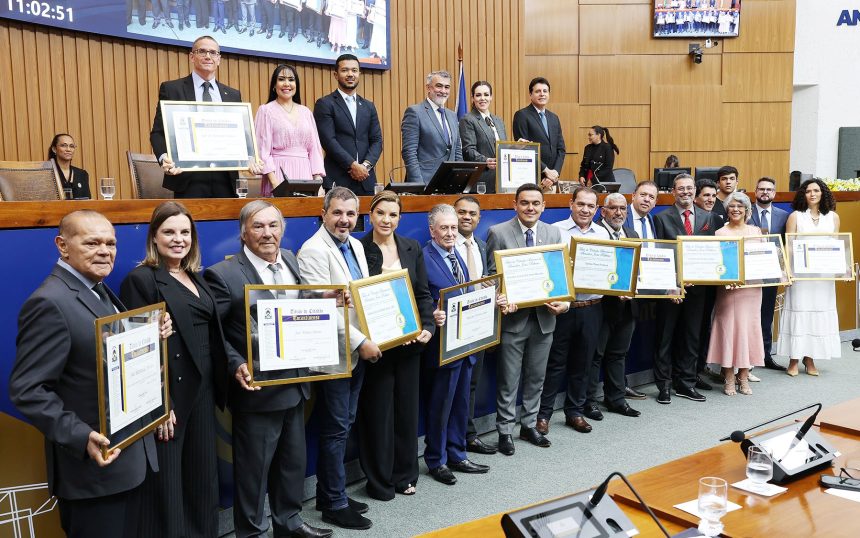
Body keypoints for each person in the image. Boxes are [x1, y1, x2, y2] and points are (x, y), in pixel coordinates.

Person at [9, 210, 169, 538]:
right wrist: (81, 437)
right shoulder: (49, 303)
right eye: (92, 242)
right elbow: (28, 390)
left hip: (128, 464)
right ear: (62, 245)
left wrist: (151, 333)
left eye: (111, 243)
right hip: (94, 477)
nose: (105, 250)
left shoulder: (98, 289)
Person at [204, 201, 331, 538]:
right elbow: (214, 335)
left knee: (291, 463)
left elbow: (301, 311)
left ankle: (288, 523)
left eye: (273, 226)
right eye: (258, 226)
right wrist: (236, 364)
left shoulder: (290, 259)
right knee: (254, 471)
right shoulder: (222, 274)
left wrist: (327, 300)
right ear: (244, 232)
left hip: (296, 383)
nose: (267, 233)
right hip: (258, 390)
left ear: (282, 230)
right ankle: (251, 532)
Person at [119, 201, 229, 537]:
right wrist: (159, 404)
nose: (178, 239)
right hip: (170, 397)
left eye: (184, 232)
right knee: (167, 488)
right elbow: (137, 352)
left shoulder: (195, 275)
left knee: (202, 480)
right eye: (169, 231)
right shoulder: (142, 279)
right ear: (154, 236)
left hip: (203, 389)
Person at [298, 187, 380, 530]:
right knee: (335, 429)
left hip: (357, 351)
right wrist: (361, 341)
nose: (344, 220)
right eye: (337, 213)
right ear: (323, 213)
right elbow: (323, 310)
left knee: (344, 423)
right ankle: (333, 502)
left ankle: (329, 492)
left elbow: (361, 295)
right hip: (334, 353)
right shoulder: (312, 251)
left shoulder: (357, 245)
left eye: (350, 213)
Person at [357, 191, 434, 500]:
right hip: (376, 347)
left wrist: (427, 327)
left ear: (400, 218)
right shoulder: (358, 248)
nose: (387, 220)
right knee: (376, 415)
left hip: (409, 343)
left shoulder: (411, 247)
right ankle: (378, 481)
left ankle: (405, 474)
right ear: (371, 215)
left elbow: (423, 293)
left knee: (405, 412)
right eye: (381, 213)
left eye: (393, 215)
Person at [485, 183, 568, 455]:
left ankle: (529, 424)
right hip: (514, 319)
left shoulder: (553, 232)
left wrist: (563, 302)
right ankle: (505, 430)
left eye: (535, 203)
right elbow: (489, 278)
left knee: (536, 377)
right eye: (524, 203)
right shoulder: (498, 233)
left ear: (543, 206)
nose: (530, 208)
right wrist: (501, 295)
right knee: (509, 379)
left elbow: (560, 276)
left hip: (545, 318)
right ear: (515, 205)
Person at [421, 204, 497, 486]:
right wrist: (432, 311)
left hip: (466, 343)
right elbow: (419, 297)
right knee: (440, 405)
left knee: (461, 402)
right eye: (444, 228)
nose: (451, 233)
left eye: (453, 227)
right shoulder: (423, 256)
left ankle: (457, 453)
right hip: (442, 348)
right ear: (432, 230)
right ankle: (436, 460)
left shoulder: (459, 255)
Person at [538, 187, 607, 435]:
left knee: (583, 363)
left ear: (596, 209)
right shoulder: (554, 231)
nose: (585, 210)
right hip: (562, 309)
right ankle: (543, 415)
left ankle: (574, 412)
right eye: (581, 204)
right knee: (554, 364)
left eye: (591, 206)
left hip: (592, 308)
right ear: (571, 204)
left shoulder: (603, 234)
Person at [151, 36, 256, 198]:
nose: (208, 56)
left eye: (213, 53)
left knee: (226, 223)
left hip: (225, 177)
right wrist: (165, 158)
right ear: (192, 56)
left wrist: (249, 157)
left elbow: (242, 135)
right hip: (188, 176)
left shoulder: (233, 95)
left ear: (219, 59)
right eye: (202, 51)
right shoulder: (172, 89)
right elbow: (158, 133)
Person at [653, 174, 717, 404]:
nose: (686, 192)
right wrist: (672, 282)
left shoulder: (708, 217)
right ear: (673, 191)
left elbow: (712, 252)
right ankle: (663, 385)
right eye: (681, 189)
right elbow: (659, 254)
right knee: (665, 337)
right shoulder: (660, 218)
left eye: (690, 188)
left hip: (699, 289)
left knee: (691, 337)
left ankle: (686, 382)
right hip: (671, 290)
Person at [778, 178, 842, 377]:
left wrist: (841, 267)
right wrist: (786, 270)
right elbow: (788, 245)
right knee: (799, 311)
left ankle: (810, 357)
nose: (812, 194)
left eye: (816, 190)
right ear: (803, 195)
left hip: (823, 276)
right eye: (808, 191)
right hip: (800, 274)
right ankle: (794, 359)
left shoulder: (833, 217)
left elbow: (836, 244)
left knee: (817, 313)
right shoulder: (796, 216)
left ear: (823, 193)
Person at [706, 192, 764, 396]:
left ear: (747, 210)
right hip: (729, 291)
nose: (736, 209)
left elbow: (764, 261)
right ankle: (729, 376)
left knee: (749, 330)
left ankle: (744, 376)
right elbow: (716, 265)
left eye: (740, 206)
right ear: (727, 210)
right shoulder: (720, 233)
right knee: (729, 330)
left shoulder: (756, 231)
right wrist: (724, 279)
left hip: (752, 290)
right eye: (732, 206)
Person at [592, 193, 642, 417]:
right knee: (596, 355)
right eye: (613, 208)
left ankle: (616, 399)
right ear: (603, 211)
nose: (619, 212)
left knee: (618, 354)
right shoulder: (593, 234)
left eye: (623, 208)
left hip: (627, 307)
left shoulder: (631, 234)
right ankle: (590, 401)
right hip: (601, 306)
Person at [453, 196, 496, 454]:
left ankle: (468, 435)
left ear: (479, 218)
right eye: (462, 212)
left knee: (471, 384)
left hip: (478, 324)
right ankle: (455, 439)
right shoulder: (444, 245)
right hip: (455, 328)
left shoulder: (480, 245)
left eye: (472, 213)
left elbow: (488, 277)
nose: (467, 217)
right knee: (453, 387)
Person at [314, 54, 383, 196]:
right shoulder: (325, 104)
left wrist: (364, 167)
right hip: (337, 179)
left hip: (366, 179)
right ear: (335, 74)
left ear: (359, 73)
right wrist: (353, 165)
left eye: (354, 70)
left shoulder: (368, 106)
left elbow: (377, 141)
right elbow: (328, 141)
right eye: (345, 70)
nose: (350, 74)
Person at [256, 64, 326, 197]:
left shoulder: (306, 112)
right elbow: (263, 152)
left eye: (291, 79)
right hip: (278, 176)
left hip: (305, 176)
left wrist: (318, 183)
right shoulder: (265, 110)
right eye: (281, 79)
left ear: (296, 85)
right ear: (274, 85)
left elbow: (314, 150)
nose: (286, 83)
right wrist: (276, 185)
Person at [748, 177, 789, 371]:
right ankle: (747, 357)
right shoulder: (746, 213)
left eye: (769, 190)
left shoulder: (784, 216)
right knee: (748, 315)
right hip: (749, 274)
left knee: (766, 317)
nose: (765, 192)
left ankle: (766, 356)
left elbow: (786, 246)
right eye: (762, 189)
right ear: (755, 191)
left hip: (771, 273)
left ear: (774, 193)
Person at [401, 70, 463, 184]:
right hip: (425, 183)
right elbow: (409, 152)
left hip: (450, 184)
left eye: (447, 87)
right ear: (428, 87)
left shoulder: (452, 115)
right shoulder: (415, 112)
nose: (443, 91)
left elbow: (457, 151)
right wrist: (418, 184)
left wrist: (460, 181)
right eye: (439, 86)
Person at [512, 77, 566, 192]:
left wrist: (554, 173)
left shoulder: (554, 118)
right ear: (530, 95)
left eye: (545, 91)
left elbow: (561, 149)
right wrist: (546, 170)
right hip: (531, 178)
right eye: (538, 91)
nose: (542, 94)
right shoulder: (522, 115)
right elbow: (524, 148)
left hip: (552, 180)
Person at [458, 80, 507, 193]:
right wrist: (486, 161)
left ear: (491, 97)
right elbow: (468, 150)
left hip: (501, 180)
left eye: (486, 94)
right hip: (481, 180)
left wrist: (517, 147)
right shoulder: (468, 119)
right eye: (478, 95)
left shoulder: (498, 121)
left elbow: (503, 148)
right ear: (472, 98)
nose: (482, 98)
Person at [48, 133, 91, 200]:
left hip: (79, 210)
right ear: (54, 149)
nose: (68, 149)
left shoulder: (82, 174)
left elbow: (87, 201)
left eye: (71, 146)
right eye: (63, 145)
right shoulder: (46, 174)